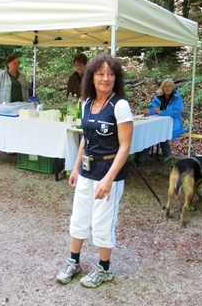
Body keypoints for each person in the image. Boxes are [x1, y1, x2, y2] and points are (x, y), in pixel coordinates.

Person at [56, 54, 133, 288]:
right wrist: (76, 167)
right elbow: (85, 139)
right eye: (100, 73)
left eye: (110, 74)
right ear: (91, 77)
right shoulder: (86, 102)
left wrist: (109, 179)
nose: (105, 78)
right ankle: (74, 261)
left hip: (109, 172)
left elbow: (125, 146)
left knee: (102, 221)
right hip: (87, 170)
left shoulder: (120, 106)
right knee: (79, 217)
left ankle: (104, 268)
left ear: (116, 77)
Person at [134, 78, 185, 166]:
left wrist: (162, 112)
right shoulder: (158, 98)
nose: (168, 88)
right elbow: (154, 109)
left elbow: (176, 112)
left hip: (173, 123)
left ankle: (143, 156)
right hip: (159, 123)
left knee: (158, 133)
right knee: (150, 131)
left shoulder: (177, 98)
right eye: (165, 86)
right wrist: (149, 112)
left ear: (173, 87)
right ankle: (141, 155)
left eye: (170, 86)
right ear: (162, 88)